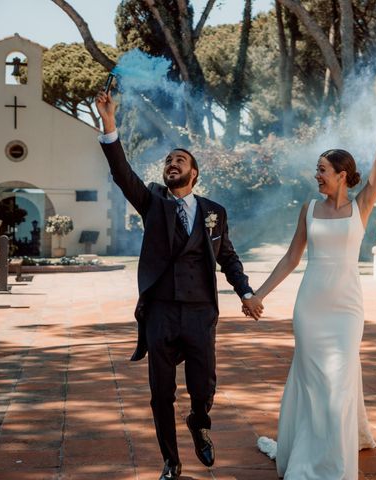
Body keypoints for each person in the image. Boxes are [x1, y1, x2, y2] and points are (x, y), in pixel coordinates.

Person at [96, 90, 264, 480]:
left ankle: (199, 420)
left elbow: (228, 259)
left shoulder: (214, 212)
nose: (172, 164)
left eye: (180, 160)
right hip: (161, 313)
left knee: (203, 385)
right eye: (169, 160)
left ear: (194, 173)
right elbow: (122, 173)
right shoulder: (153, 202)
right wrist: (109, 125)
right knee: (161, 392)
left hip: (201, 310)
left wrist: (247, 293)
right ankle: (171, 460)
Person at [255, 79, 376, 479]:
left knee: (338, 381)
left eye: (322, 170)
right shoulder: (308, 208)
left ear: (342, 175)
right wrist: (259, 293)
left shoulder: (362, 206)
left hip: (345, 309)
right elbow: (291, 257)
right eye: (316, 170)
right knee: (312, 381)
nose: (316, 175)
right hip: (310, 307)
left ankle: (335, 465)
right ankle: (305, 458)